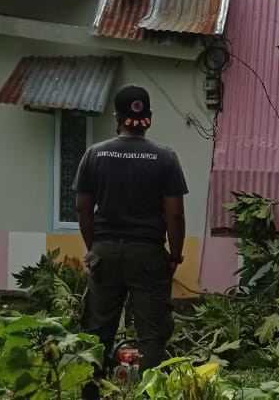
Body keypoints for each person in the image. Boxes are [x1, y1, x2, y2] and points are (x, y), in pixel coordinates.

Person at [74, 84, 187, 398]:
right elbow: (175, 214)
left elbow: (83, 207)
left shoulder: (94, 154)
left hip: (105, 250)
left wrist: (94, 246)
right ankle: (150, 394)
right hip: (148, 254)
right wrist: (174, 256)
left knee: (97, 331)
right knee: (151, 333)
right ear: (147, 117)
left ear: (117, 118)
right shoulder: (165, 158)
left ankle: (90, 393)